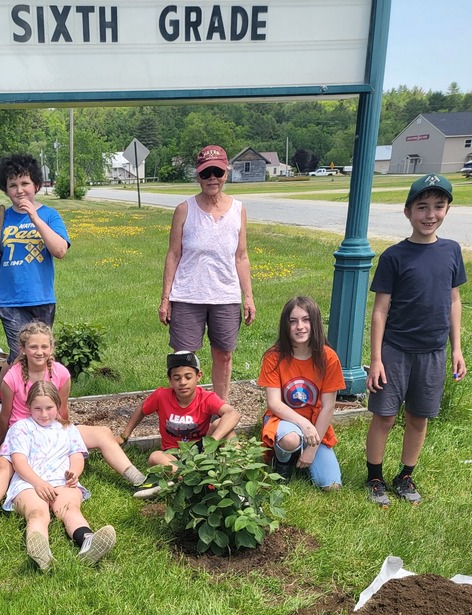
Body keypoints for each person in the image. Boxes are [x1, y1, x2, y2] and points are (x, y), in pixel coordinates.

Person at [0, 321, 150, 540]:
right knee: (5, 464)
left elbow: (62, 409)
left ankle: (140, 480)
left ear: (51, 348)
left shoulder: (60, 373)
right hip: (22, 431)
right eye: (33, 347)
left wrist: (67, 438)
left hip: (53, 426)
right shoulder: (13, 376)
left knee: (103, 433)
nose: (39, 352)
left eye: (44, 347)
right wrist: (3, 442)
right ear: (23, 349)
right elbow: (5, 414)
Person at [364, 173, 467, 506]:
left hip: (434, 352)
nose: (430, 214)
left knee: (418, 417)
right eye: (422, 207)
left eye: (438, 206)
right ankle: (375, 477)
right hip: (396, 350)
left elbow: (453, 301)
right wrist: (376, 358)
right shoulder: (394, 257)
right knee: (386, 416)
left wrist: (457, 348)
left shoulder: (451, 251)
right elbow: (380, 311)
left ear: (447, 210)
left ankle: (405, 474)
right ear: (408, 212)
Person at [159, 144, 256, 400]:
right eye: (206, 173)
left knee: (224, 354)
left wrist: (249, 297)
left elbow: (241, 256)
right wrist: (165, 299)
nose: (212, 178)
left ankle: (219, 409)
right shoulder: (184, 210)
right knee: (184, 358)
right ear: (197, 175)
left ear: (226, 173)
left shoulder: (238, 210)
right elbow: (173, 254)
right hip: (188, 295)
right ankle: (185, 409)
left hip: (225, 295)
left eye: (217, 172)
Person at [3, 381, 116, 572]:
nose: (44, 414)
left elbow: (77, 456)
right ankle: (41, 550)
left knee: (70, 508)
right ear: (28, 406)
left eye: (49, 408)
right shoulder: (21, 428)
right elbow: (19, 462)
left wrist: (74, 473)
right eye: (37, 409)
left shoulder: (68, 429)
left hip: (62, 481)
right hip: (29, 482)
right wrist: (38, 483)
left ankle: (88, 543)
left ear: (58, 406)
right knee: (37, 512)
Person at [0, 153, 70, 362]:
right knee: (20, 356)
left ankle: (40, 394)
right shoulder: (0, 220)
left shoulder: (49, 215)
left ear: (36, 185)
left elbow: (60, 251)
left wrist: (35, 218)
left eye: (25, 183)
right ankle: (9, 394)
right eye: (13, 185)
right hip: (11, 301)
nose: (19, 190)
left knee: (41, 355)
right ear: (5, 189)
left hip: (42, 299)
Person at [120, 351, 241, 495]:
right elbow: (142, 408)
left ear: (199, 376)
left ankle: (238, 475)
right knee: (154, 457)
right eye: (177, 378)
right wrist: (124, 435)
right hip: (173, 454)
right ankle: (192, 478)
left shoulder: (207, 398)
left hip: (201, 449)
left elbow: (233, 414)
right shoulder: (161, 396)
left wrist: (212, 442)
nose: (182, 382)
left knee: (224, 426)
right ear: (170, 380)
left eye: (188, 377)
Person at [258, 296, 345, 490]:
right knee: (291, 439)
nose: (300, 326)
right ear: (285, 325)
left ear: (314, 323)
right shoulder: (274, 356)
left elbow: (328, 406)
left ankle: (304, 455)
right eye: (293, 321)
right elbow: (274, 403)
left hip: (316, 425)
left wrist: (312, 449)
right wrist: (304, 425)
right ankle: (283, 461)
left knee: (331, 486)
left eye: (306, 320)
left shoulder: (328, 358)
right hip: (282, 420)